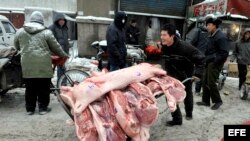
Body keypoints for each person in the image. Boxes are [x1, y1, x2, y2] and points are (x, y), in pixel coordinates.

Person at [14, 11, 68, 115]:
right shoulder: (46, 32)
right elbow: (55, 47)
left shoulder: (21, 31)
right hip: (43, 64)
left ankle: (30, 109)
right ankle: (43, 108)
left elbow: (16, 46)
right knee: (43, 86)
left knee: (30, 87)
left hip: (27, 64)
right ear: (41, 20)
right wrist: (64, 54)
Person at [160, 23, 205, 126]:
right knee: (169, 96)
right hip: (172, 75)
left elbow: (201, 59)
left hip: (185, 75)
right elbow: (166, 60)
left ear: (172, 36)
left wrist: (197, 74)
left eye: (164, 35)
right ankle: (177, 119)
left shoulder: (185, 48)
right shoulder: (164, 47)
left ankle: (189, 113)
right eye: (161, 34)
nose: (162, 37)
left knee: (187, 94)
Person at [196, 16, 229, 110]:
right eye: (207, 25)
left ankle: (218, 101)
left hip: (215, 63)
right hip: (209, 61)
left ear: (214, 25)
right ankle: (205, 101)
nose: (207, 27)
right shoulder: (212, 34)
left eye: (209, 25)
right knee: (205, 81)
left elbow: (224, 53)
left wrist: (214, 62)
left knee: (211, 82)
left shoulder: (220, 37)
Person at [186, 21, 209, 95]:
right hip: (199, 55)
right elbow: (192, 42)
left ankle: (199, 89)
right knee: (197, 72)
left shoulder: (211, 33)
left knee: (202, 73)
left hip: (206, 56)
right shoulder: (199, 31)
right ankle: (195, 89)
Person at [49, 13, 69, 82]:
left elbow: (65, 41)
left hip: (64, 52)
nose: (62, 21)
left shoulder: (65, 28)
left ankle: (61, 84)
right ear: (57, 20)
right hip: (56, 52)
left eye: (63, 20)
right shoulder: (52, 28)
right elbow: (51, 41)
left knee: (62, 69)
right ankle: (62, 84)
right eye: (60, 20)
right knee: (61, 69)